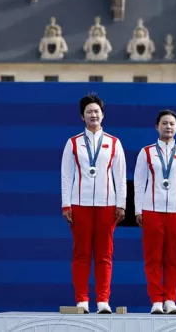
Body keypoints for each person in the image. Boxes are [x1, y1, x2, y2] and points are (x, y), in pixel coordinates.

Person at [60, 93, 127, 314]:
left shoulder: (113, 143)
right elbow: (66, 176)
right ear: (82, 116)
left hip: (107, 204)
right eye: (89, 112)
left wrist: (121, 204)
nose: (93, 115)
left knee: (104, 254)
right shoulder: (73, 143)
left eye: (96, 111)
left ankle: (103, 301)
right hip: (80, 204)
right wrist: (66, 204)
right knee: (81, 254)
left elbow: (120, 176)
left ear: (103, 115)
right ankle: (81, 300)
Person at [133, 109, 176, 314]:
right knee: (153, 258)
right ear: (156, 127)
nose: (168, 127)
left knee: (173, 258)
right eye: (164, 123)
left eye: (171, 124)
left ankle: (171, 299)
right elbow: (139, 182)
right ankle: (156, 301)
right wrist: (138, 209)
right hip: (151, 209)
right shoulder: (147, 152)